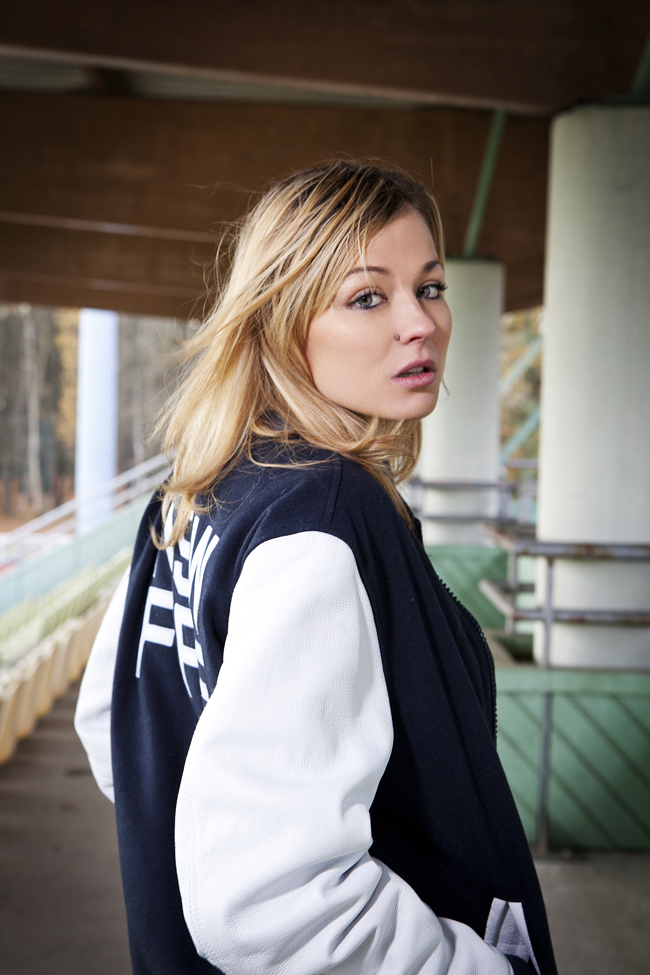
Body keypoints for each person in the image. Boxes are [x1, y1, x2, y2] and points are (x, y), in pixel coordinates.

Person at [75, 160, 557, 975]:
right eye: (367, 297)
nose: (420, 323)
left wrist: (204, 834)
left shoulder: (204, 486)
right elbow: (268, 898)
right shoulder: (324, 517)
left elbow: (109, 722)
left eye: (430, 287)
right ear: (280, 321)